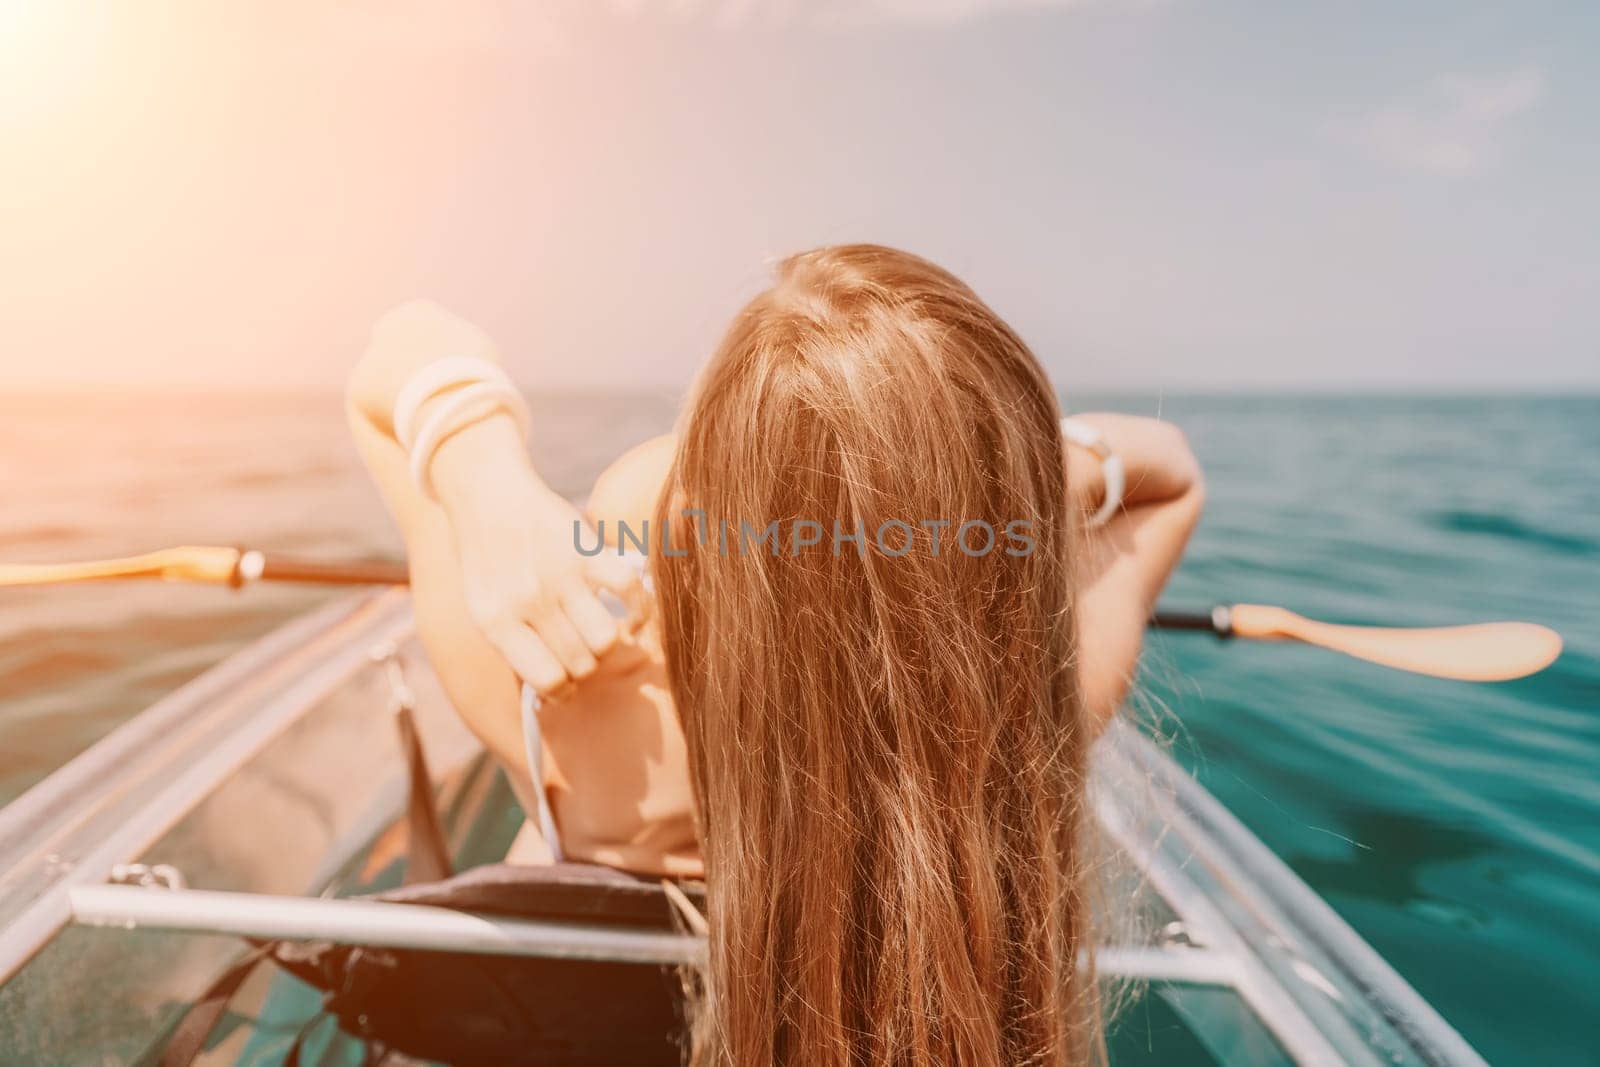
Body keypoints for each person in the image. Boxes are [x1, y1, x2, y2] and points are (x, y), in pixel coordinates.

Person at [346, 244, 1204, 1065]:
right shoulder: (1029, 723)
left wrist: (484, 473)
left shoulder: (561, 703)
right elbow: (1170, 476)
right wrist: (1001, 472)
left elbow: (395, 352)